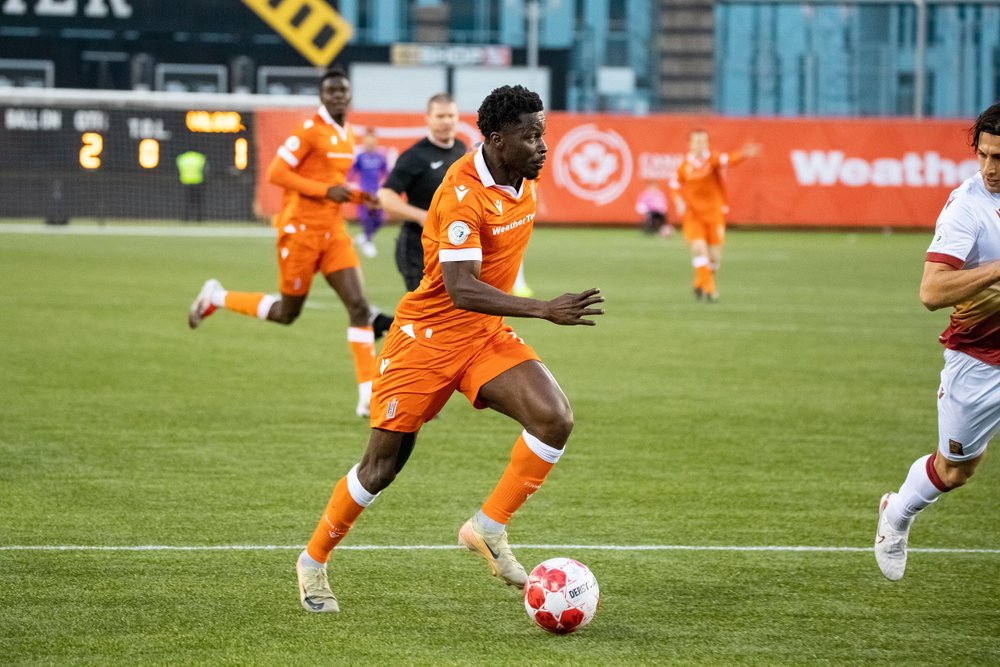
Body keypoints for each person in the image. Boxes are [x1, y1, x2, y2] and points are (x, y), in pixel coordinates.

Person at [294, 84, 605, 613]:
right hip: (426, 340)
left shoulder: (520, 177)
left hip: (482, 336)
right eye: (530, 137)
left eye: (543, 134)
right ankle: (313, 562)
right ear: (496, 139)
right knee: (381, 469)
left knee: (554, 419)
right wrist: (543, 308)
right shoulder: (462, 194)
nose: (542, 146)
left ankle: (487, 528)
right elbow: (461, 288)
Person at [187, 66, 392, 418]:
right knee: (287, 313)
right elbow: (276, 173)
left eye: (343, 91)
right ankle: (216, 297)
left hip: (333, 233)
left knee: (359, 307)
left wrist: (360, 197)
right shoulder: (309, 131)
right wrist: (326, 191)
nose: (338, 96)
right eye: (332, 91)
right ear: (321, 96)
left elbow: (333, 183)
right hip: (299, 233)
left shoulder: (347, 134)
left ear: (349, 95)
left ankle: (365, 395)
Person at [874, 102, 1000, 581]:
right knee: (955, 470)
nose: (990, 168)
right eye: (984, 155)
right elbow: (931, 292)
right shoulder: (968, 205)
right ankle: (898, 512)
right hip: (980, 359)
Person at [378, 93, 468, 292]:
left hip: (450, 246)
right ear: (428, 119)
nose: (446, 121)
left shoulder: (462, 150)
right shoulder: (414, 156)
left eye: (451, 116)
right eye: (440, 116)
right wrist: (421, 216)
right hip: (417, 248)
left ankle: (381, 323)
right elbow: (386, 196)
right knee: (425, 314)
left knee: (451, 313)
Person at [669, 129, 759, 302]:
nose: (699, 145)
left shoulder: (713, 159)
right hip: (693, 215)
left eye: (703, 141)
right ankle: (711, 291)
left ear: (707, 143)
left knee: (714, 259)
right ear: (690, 144)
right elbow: (674, 184)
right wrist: (678, 200)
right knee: (699, 249)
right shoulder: (683, 166)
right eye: (696, 141)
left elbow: (729, 160)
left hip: (714, 214)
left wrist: (744, 155)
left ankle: (699, 282)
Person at [349, 127, 389, 258]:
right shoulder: (360, 157)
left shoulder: (380, 157)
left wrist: (387, 184)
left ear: (375, 142)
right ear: (364, 142)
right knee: (366, 217)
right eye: (367, 141)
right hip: (364, 192)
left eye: (372, 141)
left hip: (377, 192)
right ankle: (368, 241)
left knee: (379, 219)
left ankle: (366, 236)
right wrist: (348, 182)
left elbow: (386, 172)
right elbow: (352, 171)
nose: (369, 143)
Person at [176, 150, 206, 222]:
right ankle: (199, 218)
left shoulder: (181, 158)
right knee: (198, 202)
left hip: (186, 182)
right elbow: (206, 169)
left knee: (187, 201)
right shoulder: (200, 157)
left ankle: (186, 218)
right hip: (198, 181)